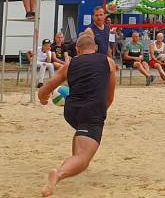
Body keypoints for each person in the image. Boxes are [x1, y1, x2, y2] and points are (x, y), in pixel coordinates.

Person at [38, 33, 116, 197]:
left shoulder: (70, 64)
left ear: (77, 50)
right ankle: (58, 175)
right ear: (94, 48)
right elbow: (109, 97)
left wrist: (43, 98)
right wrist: (99, 112)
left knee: (81, 132)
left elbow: (46, 88)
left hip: (71, 111)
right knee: (83, 156)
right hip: (92, 111)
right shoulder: (108, 62)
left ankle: (74, 160)